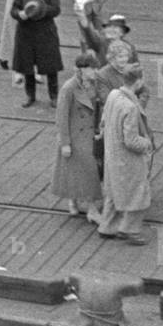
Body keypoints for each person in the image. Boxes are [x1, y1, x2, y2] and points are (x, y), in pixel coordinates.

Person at [96, 64, 153, 246]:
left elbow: (104, 120)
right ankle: (129, 230)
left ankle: (107, 226)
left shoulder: (113, 95)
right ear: (138, 82)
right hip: (127, 160)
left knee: (113, 192)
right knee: (138, 194)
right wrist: (147, 144)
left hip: (111, 154)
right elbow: (131, 140)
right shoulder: (130, 107)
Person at [52, 54, 103, 222]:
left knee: (78, 171)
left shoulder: (94, 84)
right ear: (82, 69)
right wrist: (65, 143)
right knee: (87, 171)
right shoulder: (69, 88)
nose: (95, 71)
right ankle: (92, 209)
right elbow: (61, 117)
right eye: (92, 68)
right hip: (75, 135)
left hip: (90, 134)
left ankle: (74, 201)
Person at [12, 0, 62, 108]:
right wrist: (20, 14)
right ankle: (30, 95)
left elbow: (56, 9)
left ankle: (54, 96)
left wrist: (39, 9)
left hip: (45, 31)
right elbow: (14, 9)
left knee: (51, 66)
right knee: (27, 66)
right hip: (26, 31)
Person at [96, 41, 148, 110]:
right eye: (120, 56)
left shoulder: (132, 70)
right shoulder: (102, 75)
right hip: (112, 116)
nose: (124, 59)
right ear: (112, 57)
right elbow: (106, 100)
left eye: (126, 56)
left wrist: (139, 106)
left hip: (133, 114)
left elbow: (144, 91)